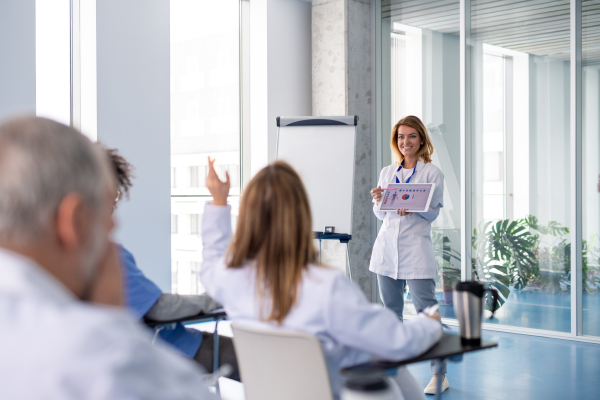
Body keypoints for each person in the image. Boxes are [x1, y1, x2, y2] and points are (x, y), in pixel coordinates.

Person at [0, 116, 216, 399]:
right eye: (105, 208)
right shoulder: (100, 360)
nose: (114, 225)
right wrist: (112, 325)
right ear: (74, 220)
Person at [200, 157, 443, 399]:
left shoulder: (228, 280)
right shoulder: (324, 287)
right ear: (301, 215)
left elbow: (212, 259)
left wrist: (218, 201)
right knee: (389, 369)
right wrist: (429, 323)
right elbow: (397, 342)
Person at [104, 146, 239, 381]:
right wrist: (216, 301)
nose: (113, 212)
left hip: (141, 352)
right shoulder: (105, 253)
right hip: (171, 348)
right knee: (266, 362)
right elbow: (160, 309)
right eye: (112, 197)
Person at [369, 115, 448, 394]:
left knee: (428, 314)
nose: (406, 142)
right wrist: (379, 199)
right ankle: (394, 371)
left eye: (411, 136)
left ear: (422, 140)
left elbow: (433, 212)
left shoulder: (432, 173)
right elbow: (381, 214)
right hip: (387, 251)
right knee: (390, 314)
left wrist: (415, 207)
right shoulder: (387, 172)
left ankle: (439, 374)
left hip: (416, 250)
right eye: (401, 137)